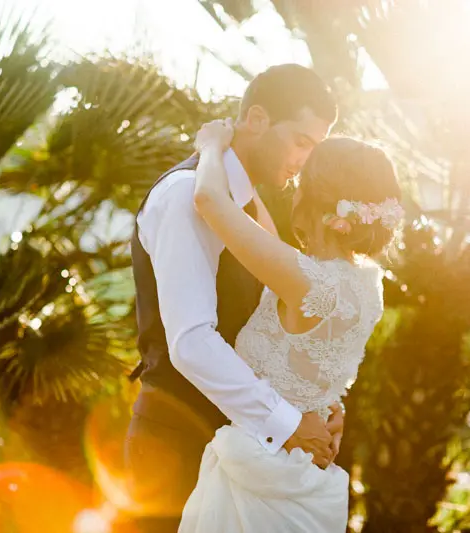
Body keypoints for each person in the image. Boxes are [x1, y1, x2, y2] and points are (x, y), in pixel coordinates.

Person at [124, 64, 343, 531]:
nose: (306, 159)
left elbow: (262, 328)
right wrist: (286, 424)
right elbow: (193, 341)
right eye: (301, 141)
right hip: (174, 452)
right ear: (258, 120)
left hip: (239, 454)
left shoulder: (244, 206)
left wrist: (316, 408)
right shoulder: (187, 195)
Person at [178, 120, 403, 532]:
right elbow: (267, 235)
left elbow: (209, 198)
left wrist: (210, 144)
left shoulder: (307, 283)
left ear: (315, 198)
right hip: (306, 472)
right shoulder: (366, 282)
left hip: (263, 477)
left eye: (301, 178)